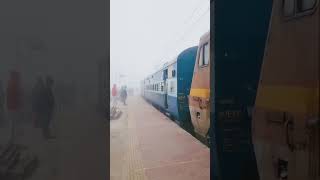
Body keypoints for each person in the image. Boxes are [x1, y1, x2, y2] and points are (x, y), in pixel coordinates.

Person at [6, 70, 23, 143]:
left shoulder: (10, 83)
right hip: (14, 107)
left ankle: (12, 139)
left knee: (13, 123)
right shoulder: (14, 84)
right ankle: (13, 139)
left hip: (11, 106)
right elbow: (16, 96)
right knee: (14, 123)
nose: (19, 78)